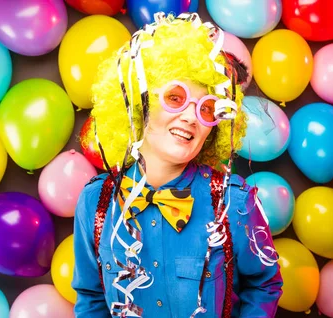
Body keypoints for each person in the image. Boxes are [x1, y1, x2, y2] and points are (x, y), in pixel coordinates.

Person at [72, 12, 283, 318]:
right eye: (175, 97)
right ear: (138, 101)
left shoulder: (233, 203)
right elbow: (91, 297)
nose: (190, 117)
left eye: (207, 109)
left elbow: (265, 285)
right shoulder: (95, 203)